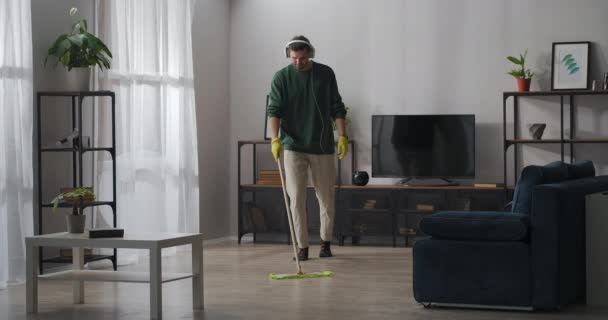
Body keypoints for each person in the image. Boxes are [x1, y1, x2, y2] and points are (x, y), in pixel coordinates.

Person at [267, 35, 348, 261]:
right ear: (288, 56)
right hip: (293, 145)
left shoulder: (325, 74)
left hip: (322, 146)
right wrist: (275, 139)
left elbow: (337, 107)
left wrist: (342, 136)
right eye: (294, 58)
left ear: (310, 54)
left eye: (302, 58)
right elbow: (273, 111)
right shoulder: (281, 78)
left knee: (326, 197)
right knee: (296, 197)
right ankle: (302, 247)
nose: (298, 63)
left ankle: (325, 243)